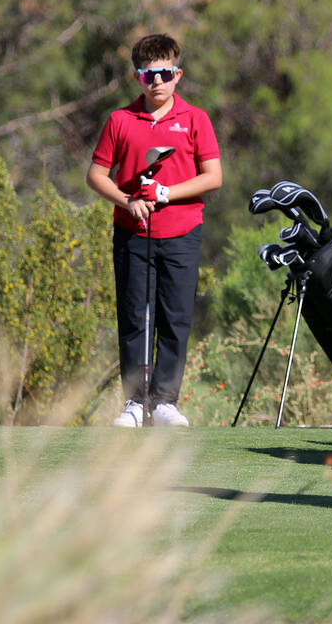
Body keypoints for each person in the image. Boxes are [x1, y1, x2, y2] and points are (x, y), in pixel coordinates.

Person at [87, 33, 222, 427]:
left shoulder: (195, 119)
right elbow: (96, 174)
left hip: (182, 232)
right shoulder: (120, 120)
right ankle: (134, 403)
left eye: (164, 74)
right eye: (149, 75)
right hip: (133, 233)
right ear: (137, 78)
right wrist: (127, 200)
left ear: (177, 75)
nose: (157, 82)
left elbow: (213, 177)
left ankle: (165, 402)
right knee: (133, 317)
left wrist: (166, 193)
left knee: (175, 317)